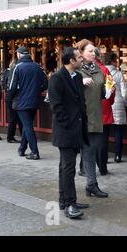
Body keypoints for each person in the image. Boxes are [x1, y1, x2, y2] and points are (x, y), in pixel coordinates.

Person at [48, 47, 90, 219]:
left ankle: (64, 200)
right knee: (68, 168)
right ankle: (70, 204)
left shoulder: (78, 76)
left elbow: (80, 102)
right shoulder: (57, 78)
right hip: (66, 130)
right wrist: (68, 124)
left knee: (65, 167)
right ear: (71, 61)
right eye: (79, 57)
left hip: (77, 129)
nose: (82, 59)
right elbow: (56, 106)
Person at [76, 39, 109, 198]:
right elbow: (64, 89)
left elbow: (101, 92)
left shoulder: (98, 70)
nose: (93, 53)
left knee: (91, 151)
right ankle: (91, 184)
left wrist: (108, 90)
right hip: (80, 117)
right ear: (81, 53)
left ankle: (91, 184)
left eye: (94, 51)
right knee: (87, 151)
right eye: (89, 51)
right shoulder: (75, 70)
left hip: (95, 115)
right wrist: (79, 82)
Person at [8, 47, 48, 159]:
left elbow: (12, 87)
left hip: (21, 101)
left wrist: (10, 99)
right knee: (27, 125)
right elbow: (45, 84)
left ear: (19, 55)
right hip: (35, 101)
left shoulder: (17, 67)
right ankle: (22, 149)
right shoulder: (38, 67)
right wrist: (36, 91)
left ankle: (35, 152)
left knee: (28, 126)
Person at [94, 48, 115, 176]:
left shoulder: (83, 70)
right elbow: (111, 90)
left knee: (91, 139)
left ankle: (88, 167)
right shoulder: (105, 70)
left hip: (90, 109)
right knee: (103, 140)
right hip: (104, 108)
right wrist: (109, 102)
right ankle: (102, 167)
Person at [105, 52, 127, 163]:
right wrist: (125, 102)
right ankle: (118, 156)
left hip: (106, 104)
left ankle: (104, 156)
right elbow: (124, 91)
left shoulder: (102, 72)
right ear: (114, 61)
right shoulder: (119, 74)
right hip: (118, 103)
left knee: (105, 132)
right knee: (118, 132)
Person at [1, 60, 23, 143]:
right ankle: (11, 137)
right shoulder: (13, 73)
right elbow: (13, 86)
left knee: (14, 118)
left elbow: (4, 84)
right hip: (14, 97)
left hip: (9, 97)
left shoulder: (6, 72)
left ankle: (12, 136)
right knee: (16, 118)